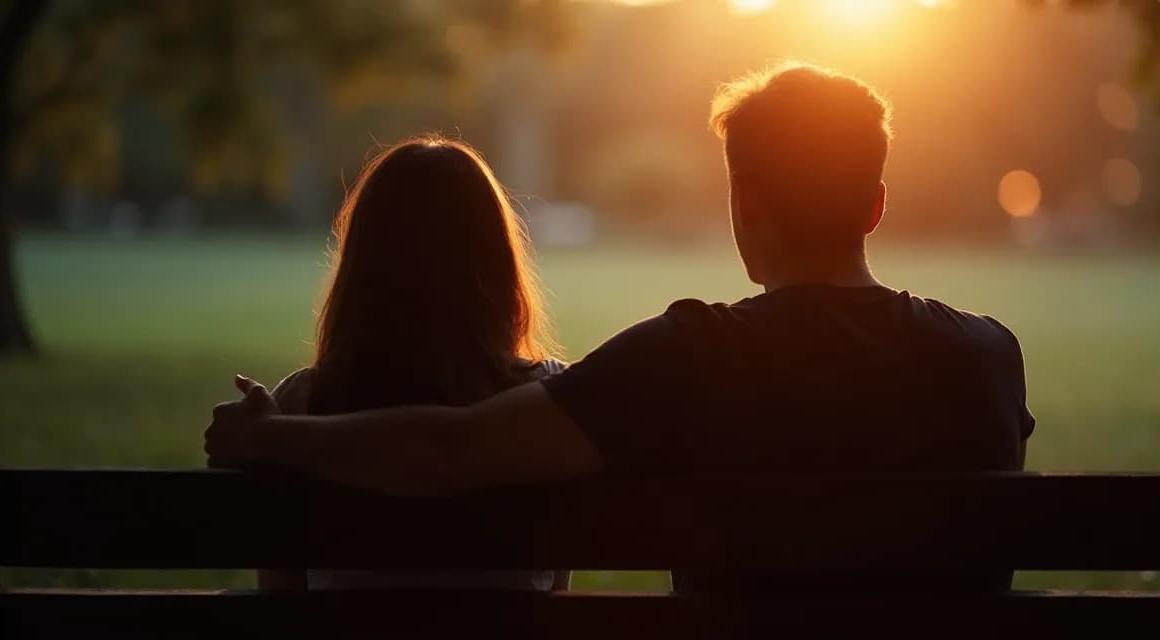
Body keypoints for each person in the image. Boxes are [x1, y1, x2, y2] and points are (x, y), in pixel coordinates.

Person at [207, 63, 1035, 588]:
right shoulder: (988, 358)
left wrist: (277, 439)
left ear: (745, 202)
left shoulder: (688, 360)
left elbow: (453, 452)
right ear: (877, 205)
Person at [228, 136, 567, 592]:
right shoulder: (548, 404)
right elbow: (557, 593)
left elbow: (280, 600)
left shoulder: (296, 409)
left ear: (361, 267)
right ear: (497, 263)